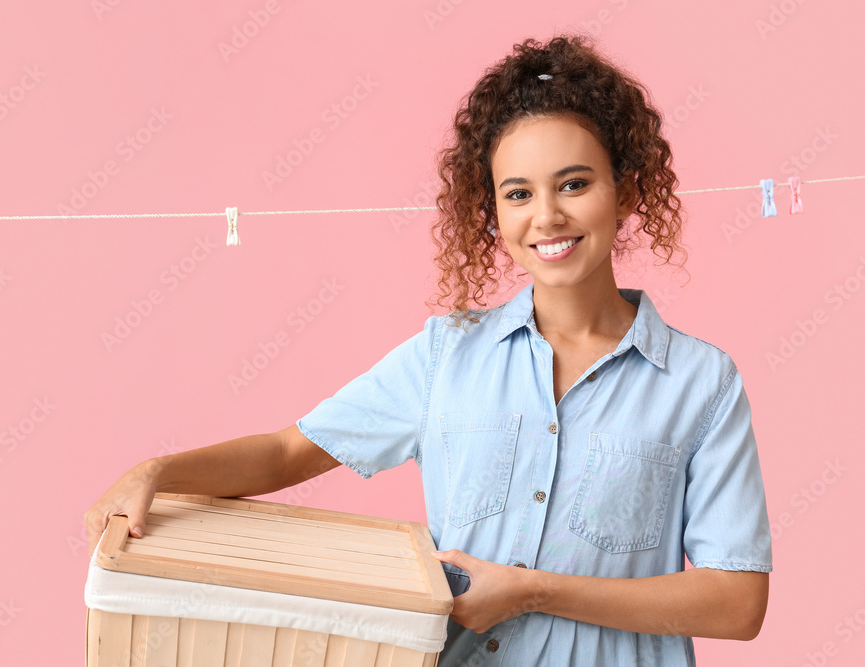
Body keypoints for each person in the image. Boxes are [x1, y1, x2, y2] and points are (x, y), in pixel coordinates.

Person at [85, 33, 771, 666]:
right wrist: (158, 471)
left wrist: (532, 590)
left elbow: (738, 602)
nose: (548, 215)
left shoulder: (700, 382)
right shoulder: (448, 356)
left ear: (624, 191)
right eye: (518, 193)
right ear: (494, 215)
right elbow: (290, 451)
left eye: (574, 183)